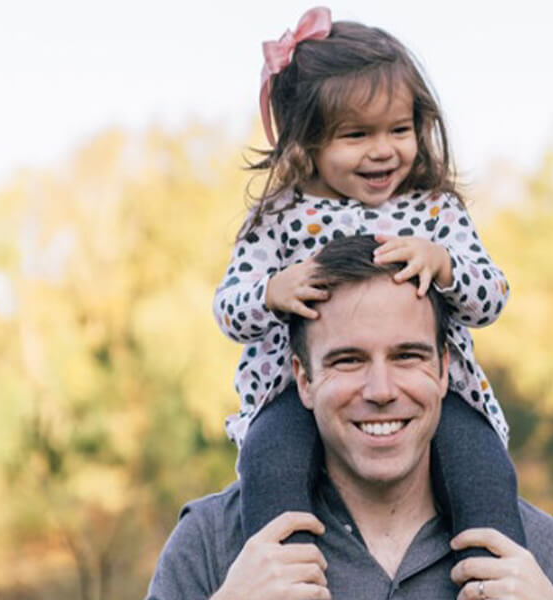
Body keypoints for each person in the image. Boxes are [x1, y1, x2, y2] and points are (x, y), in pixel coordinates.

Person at [212, 6, 523, 561]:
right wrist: (271, 292)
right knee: (271, 462)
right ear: (306, 143)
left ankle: (494, 576)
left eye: (399, 130)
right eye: (356, 135)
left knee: (480, 466)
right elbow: (228, 310)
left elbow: (492, 295)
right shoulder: (280, 217)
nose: (383, 150)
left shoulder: (435, 212)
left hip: (430, 389)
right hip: (297, 390)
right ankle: (287, 576)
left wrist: (446, 265)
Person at [148, 235, 553, 599]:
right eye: (348, 360)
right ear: (303, 380)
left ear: (445, 370)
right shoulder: (211, 543)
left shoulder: (534, 551)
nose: (381, 391)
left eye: (407, 356)